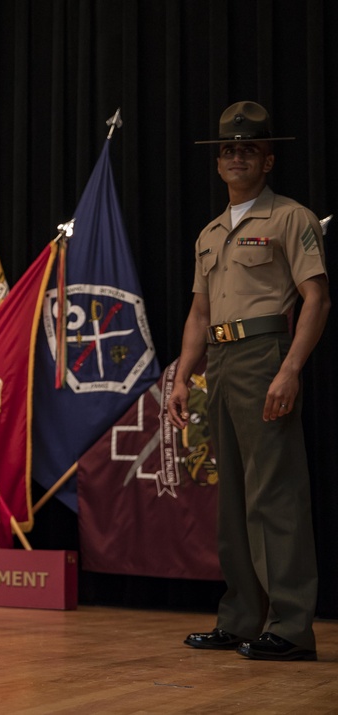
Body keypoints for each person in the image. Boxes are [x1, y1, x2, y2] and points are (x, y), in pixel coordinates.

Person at [169, 102, 329, 661]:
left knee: (275, 494)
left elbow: (317, 299)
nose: (235, 157)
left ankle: (290, 627)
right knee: (233, 496)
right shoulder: (210, 232)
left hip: (265, 354)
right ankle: (240, 617)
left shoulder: (290, 217)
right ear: (218, 164)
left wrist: (289, 369)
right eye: (226, 150)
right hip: (221, 358)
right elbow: (197, 311)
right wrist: (183, 372)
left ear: (268, 159)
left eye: (247, 149)